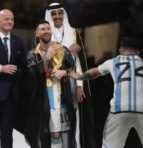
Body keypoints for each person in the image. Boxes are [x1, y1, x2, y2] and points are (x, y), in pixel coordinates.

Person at [70, 37, 143, 148]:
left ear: (121, 49)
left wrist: (78, 76)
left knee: (110, 146)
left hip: (119, 109)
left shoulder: (113, 62)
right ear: (138, 51)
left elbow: (93, 73)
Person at [45, 3, 85, 148]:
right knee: (54, 121)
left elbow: (77, 62)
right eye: (54, 14)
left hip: (71, 82)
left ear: (64, 14)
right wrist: (67, 49)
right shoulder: (44, 33)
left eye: (60, 13)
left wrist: (80, 85)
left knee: (73, 118)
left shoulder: (73, 32)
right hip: (52, 84)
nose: (57, 16)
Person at [34, 20, 75, 148]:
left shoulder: (62, 49)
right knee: (47, 136)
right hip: (42, 102)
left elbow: (73, 69)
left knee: (65, 135)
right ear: (36, 33)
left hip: (62, 98)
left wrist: (64, 72)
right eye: (42, 29)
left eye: (48, 28)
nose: (46, 31)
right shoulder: (32, 54)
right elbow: (34, 74)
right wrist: (47, 57)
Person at [0, 9, 27, 148]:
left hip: (10, 96)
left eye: (11, 19)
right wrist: (1, 68)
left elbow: (24, 66)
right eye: (6, 19)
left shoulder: (18, 41)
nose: (9, 21)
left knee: (6, 133)